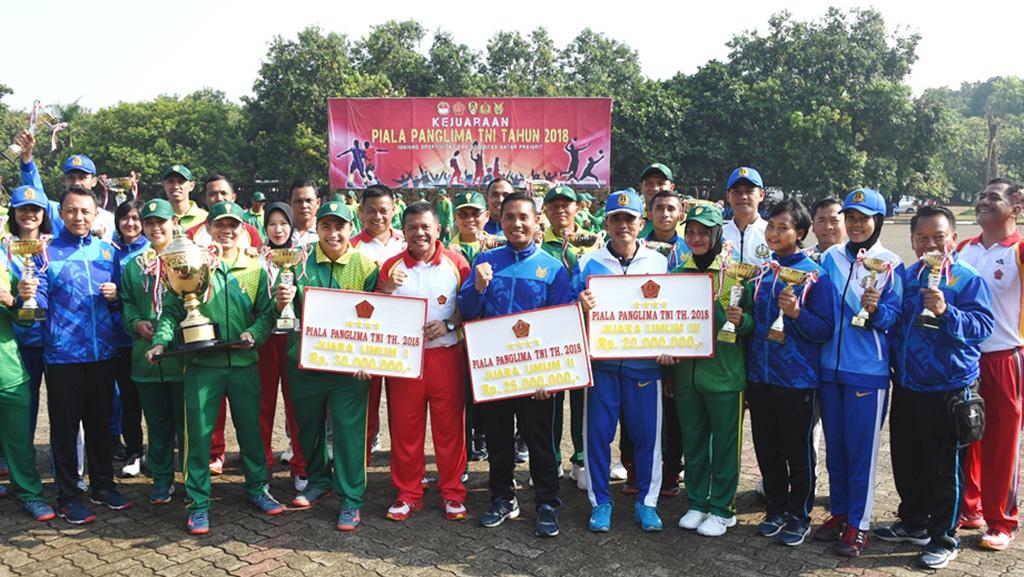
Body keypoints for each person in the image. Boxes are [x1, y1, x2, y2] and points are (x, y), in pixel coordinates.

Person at [146, 201, 283, 535]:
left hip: (244, 363)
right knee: (198, 437)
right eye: (220, 224)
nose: (227, 231)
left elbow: (267, 313)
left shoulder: (255, 268)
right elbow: (173, 312)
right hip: (202, 366)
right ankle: (198, 504)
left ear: (242, 228)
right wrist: (162, 341)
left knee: (252, 431)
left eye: (233, 225)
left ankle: (257, 488)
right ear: (209, 228)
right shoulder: (193, 264)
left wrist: (256, 333)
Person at [875, 204, 993, 570]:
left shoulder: (967, 278)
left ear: (953, 239)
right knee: (907, 461)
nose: (931, 243)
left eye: (939, 237)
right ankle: (913, 523)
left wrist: (947, 312)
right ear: (912, 241)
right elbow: (895, 324)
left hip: (949, 387)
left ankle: (944, 536)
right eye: (923, 237)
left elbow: (983, 327)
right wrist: (875, 311)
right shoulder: (906, 276)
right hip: (908, 384)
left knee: (943, 468)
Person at [459, 191, 573, 538]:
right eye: (510, 217)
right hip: (495, 373)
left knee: (540, 442)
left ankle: (548, 503)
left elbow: (561, 325)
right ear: (500, 220)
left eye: (524, 217)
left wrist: (550, 377)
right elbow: (467, 311)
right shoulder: (486, 261)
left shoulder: (553, 268)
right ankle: (503, 498)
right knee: (497, 439)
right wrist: (477, 286)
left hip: (536, 379)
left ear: (537, 221)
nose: (517, 223)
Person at [273, 200, 379, 531]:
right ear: (317, 228)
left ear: (352, 227)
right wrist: (281, 302)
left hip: (349, 368)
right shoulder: (298, 261)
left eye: (340, 226)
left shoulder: (366, 265)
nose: (333, 234)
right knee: (309, 426)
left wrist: (368, 358)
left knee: (348, 433)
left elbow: (378, 317)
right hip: (305, 362)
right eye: (326, 227)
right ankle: (318, 479)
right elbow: (282, 314)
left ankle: (351, 498)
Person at [33, 184, 132, 524]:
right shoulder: (46, 253)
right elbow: (39, 300)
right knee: (64, 428)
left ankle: (103, 486)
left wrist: (116, 296)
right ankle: (69, 495)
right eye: (72, 211)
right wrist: (28, 296)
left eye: (85, 211)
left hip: (103, 352)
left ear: (95, 214)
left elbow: (123, 299)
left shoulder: (107, 252)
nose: (79, 217)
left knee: (101, 424)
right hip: (62, 357)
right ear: (61, 214)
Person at [816, 188, 904, 556]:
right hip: (828, 369)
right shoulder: (829, 258)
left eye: (862, 218)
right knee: (835, 449)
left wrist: (875, 310)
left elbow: (894, 319)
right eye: (850, 217)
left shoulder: (891, 263)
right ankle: (840, 512)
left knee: (861, 453)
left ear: (877, 221)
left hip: (867, 371)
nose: (854, 224)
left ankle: (859, 523)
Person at [575, 189, 668, 533]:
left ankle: (647, 502)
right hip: (601, 366)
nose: (622, 225)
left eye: (629, 219)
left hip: (645, 366)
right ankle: (601, 502)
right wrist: (579, 305)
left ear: (641, 223)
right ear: (607, 222)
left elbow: (672, 313)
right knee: (598, 437)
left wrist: (670, 345)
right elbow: (569, 311)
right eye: (616, 219)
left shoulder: (661, 262)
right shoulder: (589, 263)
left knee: (647, 437)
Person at [745, 199, 835, 546]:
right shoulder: (762, 272)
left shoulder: (816, 275)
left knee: (797, 451)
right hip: (761, 376)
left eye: (783, 227)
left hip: (796, 379)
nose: (774, 232)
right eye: (771, 226)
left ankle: (800, 514)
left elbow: (825, 329)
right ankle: (776, 509)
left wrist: (797, 314)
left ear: (799, 233)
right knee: (766, 448)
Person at [658, 203, 751, 538]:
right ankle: (697, 502)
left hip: (725, 375)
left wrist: (740, 322)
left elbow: (752, 320)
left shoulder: (735, 274)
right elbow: (666, 325)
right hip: (686, 376)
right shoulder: (676, 275)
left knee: (725, 445)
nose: (696, 238)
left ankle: (723, 508)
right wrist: (668, 371)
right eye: (692, 232)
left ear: (717, 234)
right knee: (693, 442)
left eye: (704, 232)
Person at [379, 202, 471, 521]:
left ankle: (452, 492)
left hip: (446, 357)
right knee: (405, 429)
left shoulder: (457, 264)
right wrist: (387, 289)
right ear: (403, 231)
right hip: (405, 362)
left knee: (450, 430)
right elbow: (374, 312)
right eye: (413, 227)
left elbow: (468, 307)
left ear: (438, 229)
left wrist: (447, 325)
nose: (419, 232)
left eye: (425, 226)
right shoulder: (390, 266)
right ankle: (408, 493)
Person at [957, 179, 1024, 551]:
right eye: (980, 195)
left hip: (1003, 358)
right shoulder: (964, 249)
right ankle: (970, 508)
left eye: (993, 198)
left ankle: (1001, 521)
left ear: (1015, 207)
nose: (983, 201)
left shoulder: (1018, 250)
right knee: (967, 435)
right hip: (964, 356)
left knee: (1001, 441)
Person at [119, 198, 185, 504]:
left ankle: (194, 478)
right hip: (146, 358)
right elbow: (127, 302)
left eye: (162, 221)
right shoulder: (135, 265)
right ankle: (161, 479)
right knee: (157, 424)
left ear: (174, 222)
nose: (156, 227)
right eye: (150, 223)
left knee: (187, 424)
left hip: (182, 356)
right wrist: (135, 322)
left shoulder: (188, 258)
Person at [0, 218, 56, 522]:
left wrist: (13, 301)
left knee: (20, 441)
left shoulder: (5, 258)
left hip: (8, 368)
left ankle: (30, 494)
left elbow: (24, 319)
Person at [540, 185, 593, 489]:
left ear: (577, 209)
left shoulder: (592, 243)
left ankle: (582, 459)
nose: (561, 210)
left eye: (567, 205)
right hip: (552, 334)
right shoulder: (538, 246)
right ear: (545, 211)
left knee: (583, 401)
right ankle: (551, 459)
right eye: (554, 205)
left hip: (586, 333)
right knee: (551, 402)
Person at [350, 184, 406, 459]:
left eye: (384, 210)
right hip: (365, 335)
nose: (378, 216)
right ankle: (361, 460)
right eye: (370, 210)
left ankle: (404, 462)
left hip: (401, 337)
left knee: (403, 406)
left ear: (394, 209)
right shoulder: (350, 246)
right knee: (364, 401)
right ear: (361, 213)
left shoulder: (408, 242)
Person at [257, 202, 307, 492]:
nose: (278, 229)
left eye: (283, 224)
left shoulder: (302, 260)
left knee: (297, 408)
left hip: (294, 339)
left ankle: (301, 467)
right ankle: (262, 467)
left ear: (292, 226)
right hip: (265, 341)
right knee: (261, 407)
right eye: (272, 224)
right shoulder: (256, 259)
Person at [5, 186, 52, 446]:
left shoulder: (54, 246)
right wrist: (15, 300)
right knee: (22, 408)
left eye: (35, 209)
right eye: (23, 208)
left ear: (43, 213)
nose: (29, 214)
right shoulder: (3, 249)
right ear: (14, 211)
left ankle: (67, 472)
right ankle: (19, 463)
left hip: (54, 341)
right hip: (18, 343)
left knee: (62, 410)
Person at [111, 200, 149, 477]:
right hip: (121, 338)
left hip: (152, 336)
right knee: (129, 400)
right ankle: (134, 451)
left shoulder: (152, 250)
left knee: (156, 401)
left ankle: (158, 454)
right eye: (125, 218)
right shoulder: (108, 251)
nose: (130, 223)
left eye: (136, 218)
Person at [722, 167, 770, 266]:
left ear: (761, 195)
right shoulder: (719, 234)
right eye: (737, 192)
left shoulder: (772, 234)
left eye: (749, 191)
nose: (743, 196)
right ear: (728, 196)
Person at [161, 165, 206, 230]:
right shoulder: (157, 216)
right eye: (170, 181)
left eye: (181, 181)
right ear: (164, 185)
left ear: (192, 186)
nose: (175, 186)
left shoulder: (204, 218)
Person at [637, 163, 675, 238]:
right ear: (641, 187)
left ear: (672, 187)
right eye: (649, 183)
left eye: (661, 183)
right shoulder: (632, 220)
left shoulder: (683, 223)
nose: (655, 188)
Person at [289, 179, 321, 246]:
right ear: (290, 204)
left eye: (308, 201)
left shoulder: (325, 232)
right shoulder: (281, 232)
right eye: (298, 201)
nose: (304, 206)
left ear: (318, 203)